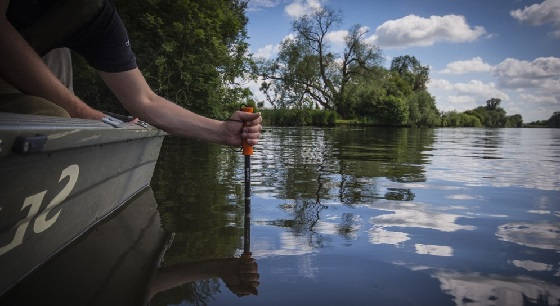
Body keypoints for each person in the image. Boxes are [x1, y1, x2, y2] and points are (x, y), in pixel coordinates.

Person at [0, 0, 262, 147]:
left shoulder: (101, 19)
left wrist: (222, 131)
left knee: (57, 100)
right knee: (54, 116)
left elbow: (145, 100)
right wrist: (89, 116)